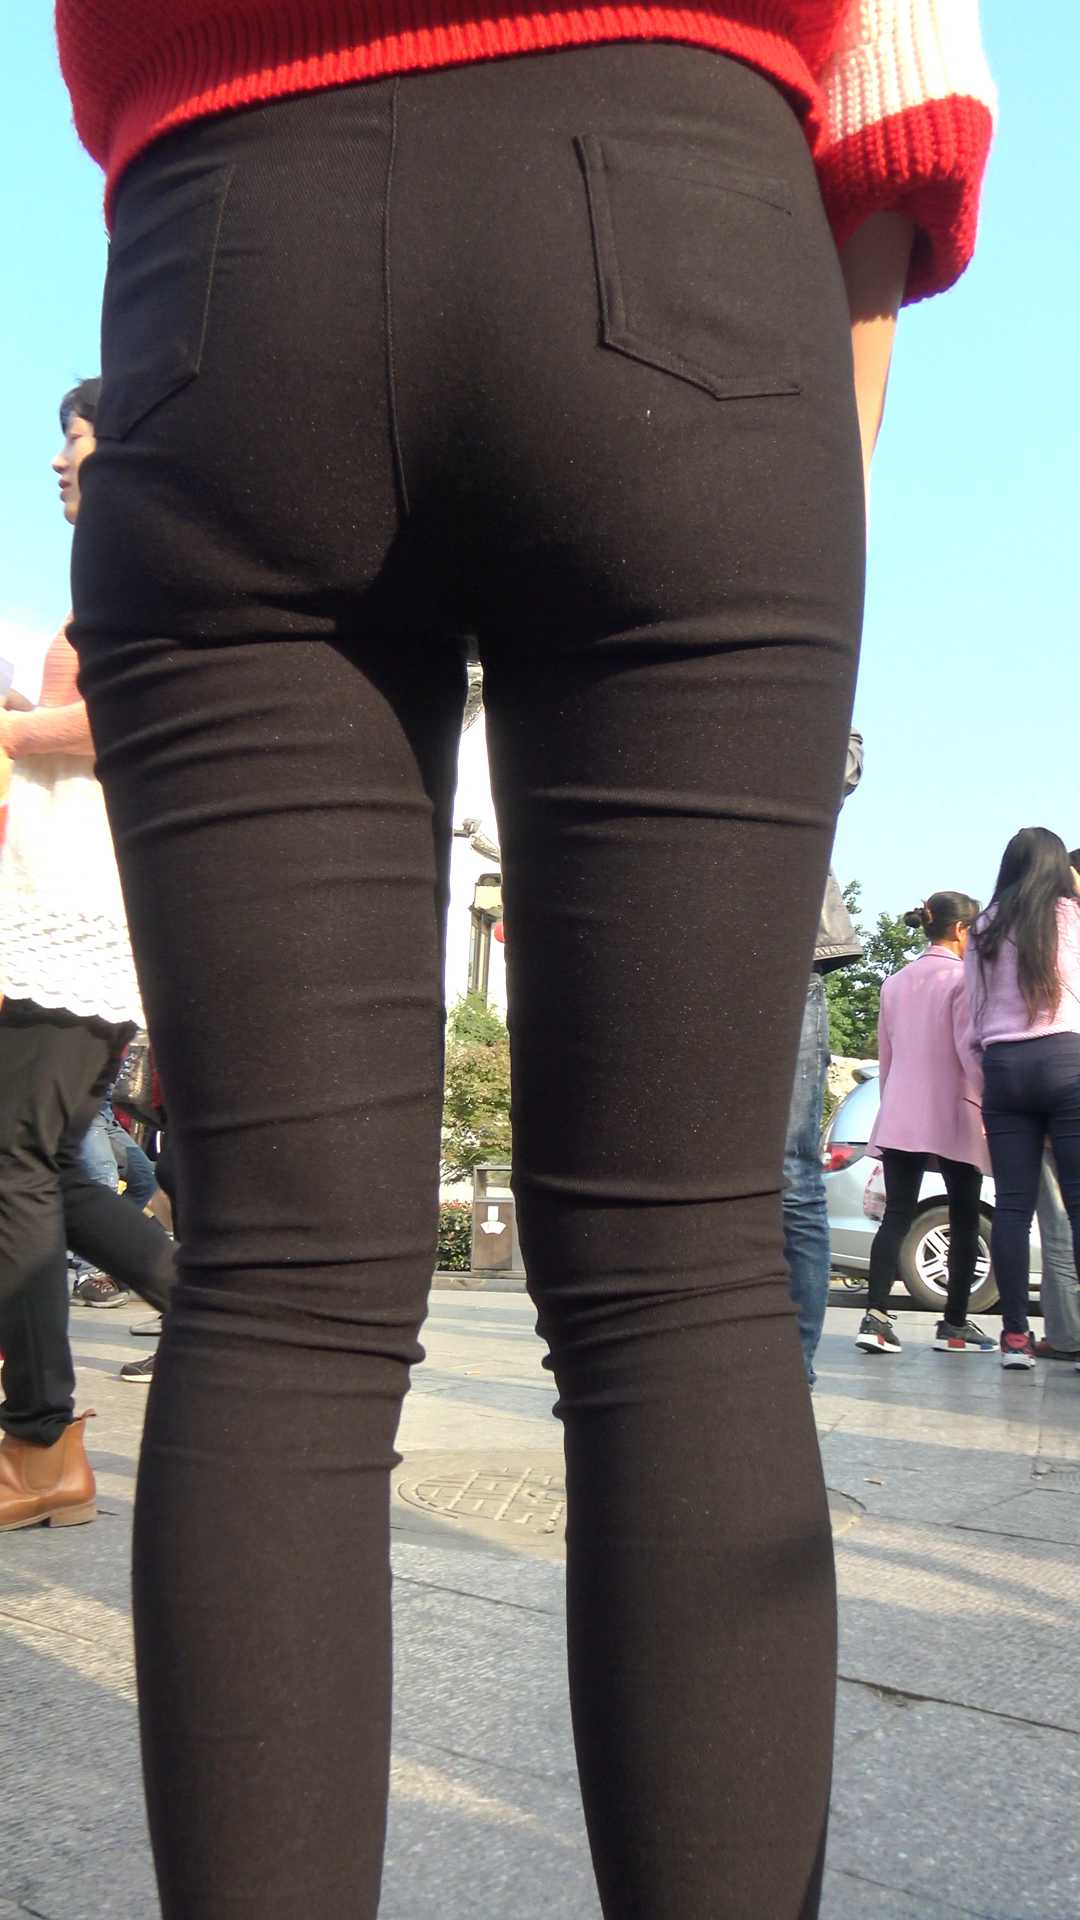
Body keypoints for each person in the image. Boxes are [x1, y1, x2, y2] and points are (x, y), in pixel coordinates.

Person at [57, 3, 994, 1914]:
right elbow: (904, 85)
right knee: (682, 1282)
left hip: (229, 240)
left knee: (278, 1293)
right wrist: (789, 483)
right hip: (678, 195)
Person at [0, 379, 174, 1533]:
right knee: (52, 1164)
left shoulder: (144, 564)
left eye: (79, 440)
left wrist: (13, 727)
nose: (62, 460)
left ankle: (39, 1442)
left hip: (78, 919)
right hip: (67, 913)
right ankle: (219, 1322)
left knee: (10, 1158)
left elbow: (133, 716)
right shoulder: (106, 572)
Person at [856, 892, 991, 1357]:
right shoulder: (964, 980)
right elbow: (969, 1052)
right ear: (961, 929)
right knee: (964, 1217)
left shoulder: (894, 982)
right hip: (955, 1109)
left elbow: (886, 1056)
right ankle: (954, 1324)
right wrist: (990, 1103)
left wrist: (890, 1105)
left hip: (901, 1110)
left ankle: (875, 1319)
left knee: (897, 1215)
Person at [966, 828, 1080, 1370]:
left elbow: (974, 1009)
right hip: (1067, 1059)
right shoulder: (1070, 915)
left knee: (1012, 1207)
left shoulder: (983, 926)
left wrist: (986, 1067)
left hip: (1004, 1066)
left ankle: (1015, 1337)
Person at [783, 730, 863, 1384]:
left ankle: (797, 1366)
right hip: (692, 946)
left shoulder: (785, 708)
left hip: (789, 951)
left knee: (793, 1172)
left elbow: (843, 750)